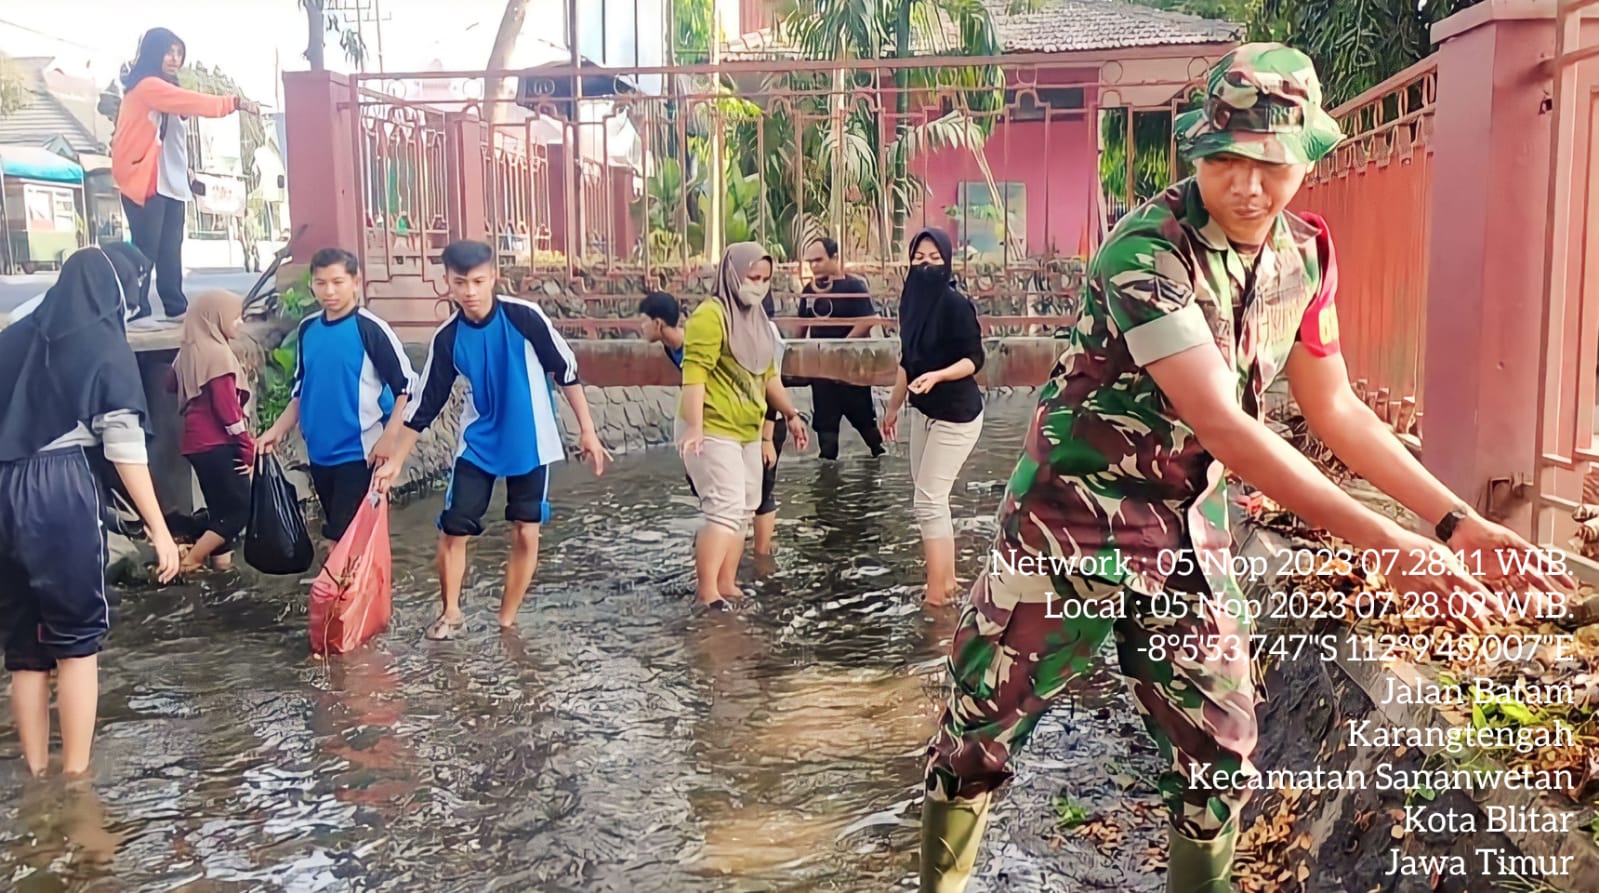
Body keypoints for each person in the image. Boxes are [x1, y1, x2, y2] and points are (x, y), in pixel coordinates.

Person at [916, 44, 1576, 893]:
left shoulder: (1305, 256)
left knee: (1218, 755)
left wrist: (1452, 521)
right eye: (1224, 159)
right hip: (1067, 532)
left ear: (1304, 157)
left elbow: (1335, 409)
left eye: (1270, 162)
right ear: (1196, 153)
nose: (1247, 185)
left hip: (1187, 540)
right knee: (976, 739)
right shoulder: (1144, 253)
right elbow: (1224, 426)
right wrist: (1389, 546)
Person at [0, 245, 180, 776]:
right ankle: (76, 781)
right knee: (77, 645)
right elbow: (124, 447)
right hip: (57, 489)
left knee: (25, 652)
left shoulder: (14, 338)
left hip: (2, 483)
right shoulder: (102, 346)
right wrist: (161, 530)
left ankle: (36, 777)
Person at [373, 240, 612, 639]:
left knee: (525, 529)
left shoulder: (524, 317)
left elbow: (565, 370)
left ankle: (507, 619)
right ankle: (451, 613)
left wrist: (587, 430)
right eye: (460, 282)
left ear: (493, 278)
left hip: (531, 439)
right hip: (480, 440)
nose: (470, 291)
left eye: (478, 281)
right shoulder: (448, 338)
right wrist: (397, 458)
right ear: (448, 282)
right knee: (454, 527)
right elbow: (427, 400)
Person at [676, 242, 810, 610]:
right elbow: (695, 374)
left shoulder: (759, 324)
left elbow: (768, 378)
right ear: (733, 274)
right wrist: (695, 426)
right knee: (724, 504)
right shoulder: (710, 316)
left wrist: (791, 414)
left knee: (746, 507)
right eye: (753, 277)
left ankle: (727, 582)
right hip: (713, 425)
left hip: (748, 428)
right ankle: (707, 592)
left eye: (765, 279)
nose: (758, 285)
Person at [257, 249, 416, 543]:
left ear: (356, 282)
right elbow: (300, 390)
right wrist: (276, 431)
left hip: (361, 454)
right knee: (340, 536)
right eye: (320, 283)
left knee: (344, 539)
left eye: (337, 282)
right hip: (320, 453)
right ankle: (352, 589)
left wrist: (389, 439)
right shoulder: (308, 329)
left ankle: (342, 589)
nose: (329, 291)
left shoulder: (370, 329)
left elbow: (407, 388)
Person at [110, 28, 259, 322]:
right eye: (168, 51)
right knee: (146, 248)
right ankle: (134, 305)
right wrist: (234, 103)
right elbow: (195, 102)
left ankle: (175, 305)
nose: (174, 58)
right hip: (146, 179)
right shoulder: (148, 87)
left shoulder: (168, 86)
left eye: (179, 52)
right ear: (153, 52)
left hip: (172, 181)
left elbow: (175, 139)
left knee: (170, 247)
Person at [881, 228, 985, 607]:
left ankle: (937, 593)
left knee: (928, 500)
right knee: (927, 499)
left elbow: (975, 358)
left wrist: (939, 375)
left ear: (947, 262)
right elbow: (906, 360)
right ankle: (949, 580)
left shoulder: (955, 304)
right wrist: (892, 408)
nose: (925, 266)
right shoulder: (910, 301)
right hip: (922, 411)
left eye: (934, 260)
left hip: (957, 415)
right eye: (919, 259)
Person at [169, 290, 253, 572]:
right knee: (239, 510)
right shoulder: (217, 354)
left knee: (219, 511)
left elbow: (170, 385)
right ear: (215, 319)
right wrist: (246, 447)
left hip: (196, 445)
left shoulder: (189, 351)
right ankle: (191, 561)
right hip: (217, 443)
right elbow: (228, 411)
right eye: (235, 317)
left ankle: (222, 569)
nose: (240, 323)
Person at [799, 237, 884, 460]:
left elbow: (869, 320)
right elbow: (800, 327)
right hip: (823, 375)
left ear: (834, 258)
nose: (814, 266)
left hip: (851, 372)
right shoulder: (809, 290)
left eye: (819, 260)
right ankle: (827, 489)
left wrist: (842, 347)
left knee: (870, 432)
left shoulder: (853, 286)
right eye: (810, 262)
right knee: (827, 442)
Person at [639, 290, 686, 369]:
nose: (642, 326)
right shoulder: (669, 348)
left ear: (658, 323)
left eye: (644, 321)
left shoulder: (691, 346)